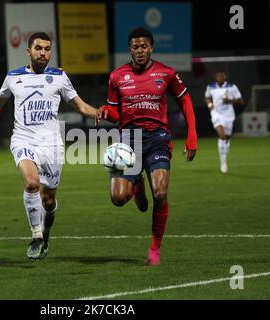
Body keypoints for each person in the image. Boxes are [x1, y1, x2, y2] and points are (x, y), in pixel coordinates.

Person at [0, 32, 98, 259]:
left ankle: (45, 235)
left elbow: (81, 106)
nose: (43, 53)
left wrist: (102, 113)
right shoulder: (13, 77)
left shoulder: (59, 77)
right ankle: (36, 236)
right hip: (23, 139)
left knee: (48, 200)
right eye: (38, 48)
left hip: (51, 145)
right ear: (28, 51)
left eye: (47, 49)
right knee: (31, 182)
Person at [96, 28, 198, 266]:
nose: (140, 51)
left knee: (161, 193)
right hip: (129, 142)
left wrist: (192, 136)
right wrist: (105, 111)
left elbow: (185, 98)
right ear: (129, 49)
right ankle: (136, 185)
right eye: (135, 47)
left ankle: (155, 248)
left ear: (151, 47)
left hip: (157, 139)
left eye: (144, 47)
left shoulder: (166, 73)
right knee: (118, 198)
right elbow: (114, 112)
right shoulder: (117, 76)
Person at [205, 70, 244, 174]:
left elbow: (240, 101)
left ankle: (224, 153)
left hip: (228, 115)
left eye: (222, 76)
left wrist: (230, 101)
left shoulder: (232, 87)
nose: (220, 78)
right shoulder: (211, 87)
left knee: (226, 138)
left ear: (225, 76)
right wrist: (210, 105)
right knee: (222, 136)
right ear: (216, 77)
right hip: (216, 113)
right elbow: (207, 97)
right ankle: (223, 162)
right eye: (218, 76)